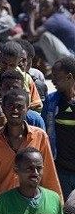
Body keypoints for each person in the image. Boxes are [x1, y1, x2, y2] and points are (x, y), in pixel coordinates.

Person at [43, 56, 75, 198]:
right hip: (61, 171)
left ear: (69, 77)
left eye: (56, 76)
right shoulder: (51, 102)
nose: (53, 80)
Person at [0, 41, 43, 112]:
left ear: (19, 61)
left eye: (12, 65)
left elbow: (37, 106)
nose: (7, 68)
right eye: (4, 63)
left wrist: (21, 106)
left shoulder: (26, 79)